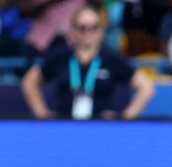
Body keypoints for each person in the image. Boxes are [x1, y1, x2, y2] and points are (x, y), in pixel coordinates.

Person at [21, 7, 155, 120]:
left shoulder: (112, 58)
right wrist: (42, 114)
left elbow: (146, 88)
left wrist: (124, 118)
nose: (88, 32)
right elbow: (29, 81)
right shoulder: (60, 56)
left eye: (93, 27)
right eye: (82, 28)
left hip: (100, 127)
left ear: (101, 30)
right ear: (73, 31)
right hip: (64, 125)